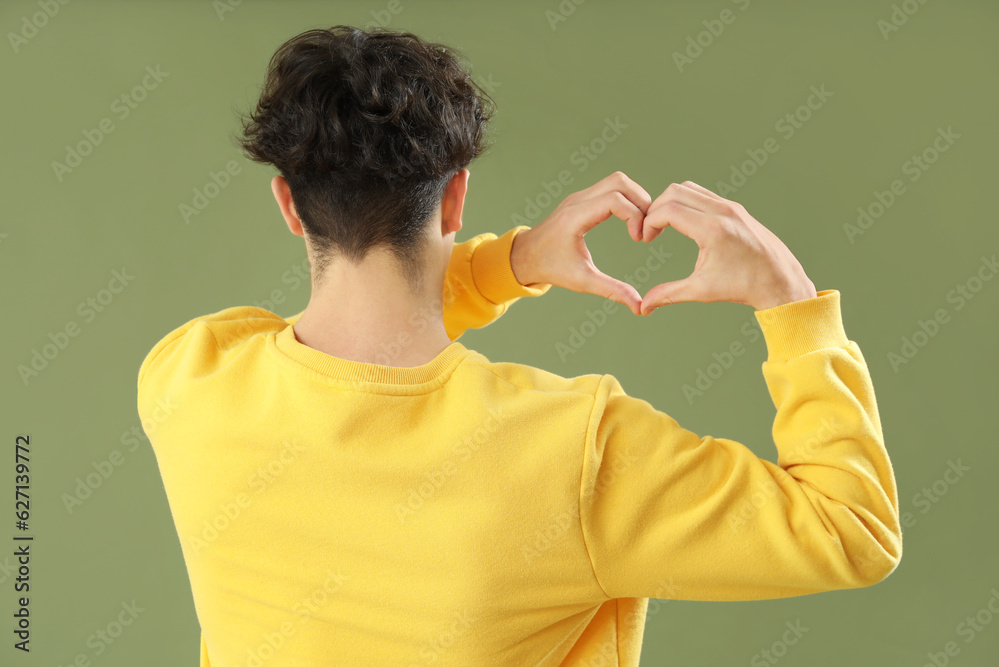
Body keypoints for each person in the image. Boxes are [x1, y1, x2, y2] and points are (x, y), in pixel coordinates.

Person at [136, 25, 902, 667]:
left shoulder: (188, 376)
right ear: (457, 195)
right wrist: (788, 296)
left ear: (290, 207)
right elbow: (853, 528)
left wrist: (517, 262)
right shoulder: (577, 452)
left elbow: (366, 359)